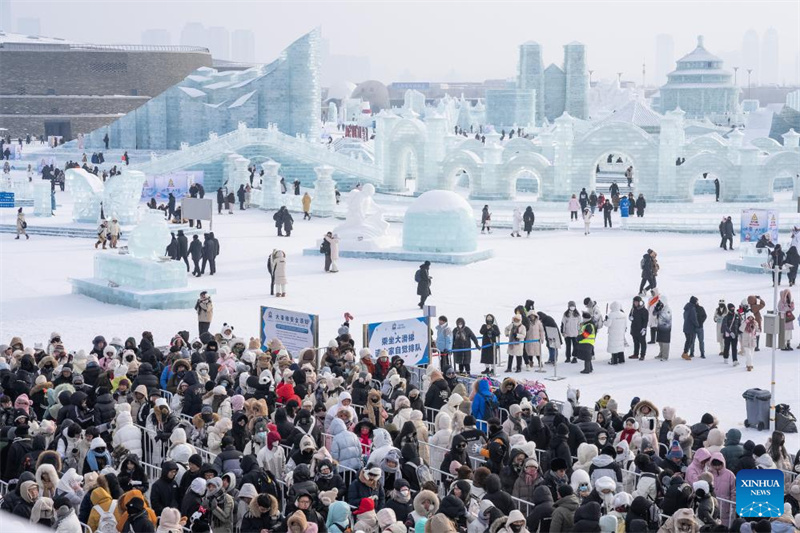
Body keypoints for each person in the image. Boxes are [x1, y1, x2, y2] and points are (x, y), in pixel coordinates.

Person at [654, 296, 672, 361]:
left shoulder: (667, 309)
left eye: (661, 302)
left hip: (666, 328)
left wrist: (659, 312)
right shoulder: (661, 308)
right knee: (660, 342)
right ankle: (661, 354)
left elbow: (666, 319)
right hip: (660, 327)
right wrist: (656, 309)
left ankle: (665, 356)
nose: (660, 303)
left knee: (665, 343)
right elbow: (654, 314)